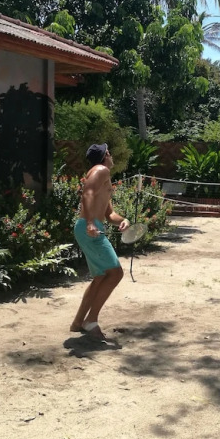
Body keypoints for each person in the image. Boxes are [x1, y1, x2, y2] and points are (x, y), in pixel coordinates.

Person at [70, 143, 130, 341]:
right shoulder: (100, 170)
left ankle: (78, 321)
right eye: (109, 153)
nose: (112, 157)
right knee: (116, 273)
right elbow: (86, 193)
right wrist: (89, 222)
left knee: (101, 277)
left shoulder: (104, 179)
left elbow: (109, 214)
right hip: (90, 227)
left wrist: (123, 220)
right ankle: (91, 320)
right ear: (105, 156)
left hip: (89, 226)